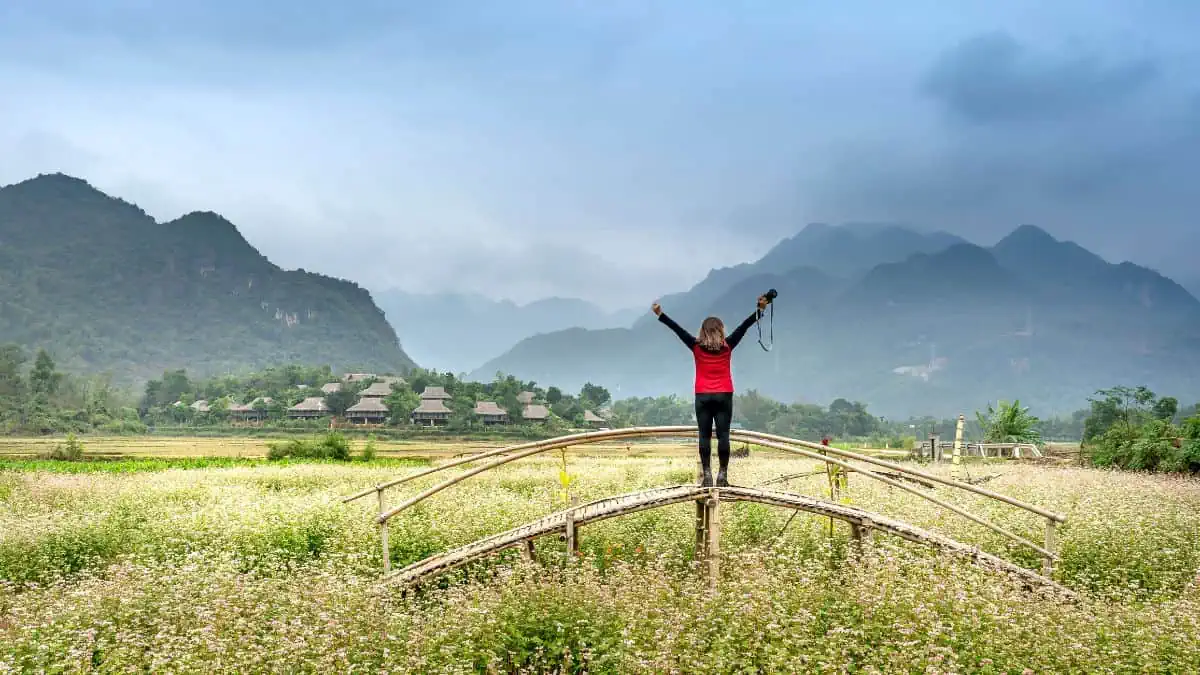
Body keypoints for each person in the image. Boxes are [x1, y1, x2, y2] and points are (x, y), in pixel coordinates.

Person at [652, 295, 770, 487]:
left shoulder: (695, 346)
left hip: (703, 395)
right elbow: (744, 326)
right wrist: (761, 310)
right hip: (724, 394)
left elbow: (677, 329)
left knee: (704, 435)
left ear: (703, 331)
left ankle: (707, 476)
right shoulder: (728, 345)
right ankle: (722, 476)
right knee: (723, 435)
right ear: (721, 330)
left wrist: (660, 314)